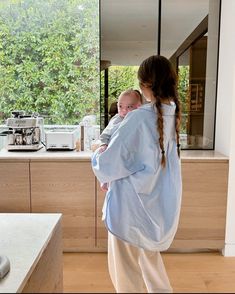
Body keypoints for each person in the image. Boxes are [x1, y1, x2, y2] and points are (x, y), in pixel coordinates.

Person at [91, 55, 182, 293]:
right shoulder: (172, 114)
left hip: (130, 209)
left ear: (144, 86)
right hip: (155, 207)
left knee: (126, 273)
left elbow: (110, 164)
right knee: (150, 262)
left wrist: (98, 154)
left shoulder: (139, 118)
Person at [99, 89, 143, 191]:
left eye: (129, 107)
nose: (123, 110)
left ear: (139, 106)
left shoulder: (139, 120)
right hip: (115, 151)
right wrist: (103, 144)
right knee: (109, 161)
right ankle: (106, 180)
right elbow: (105, 134)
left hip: (131, 154)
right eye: (120, 106)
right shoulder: (116, 119)